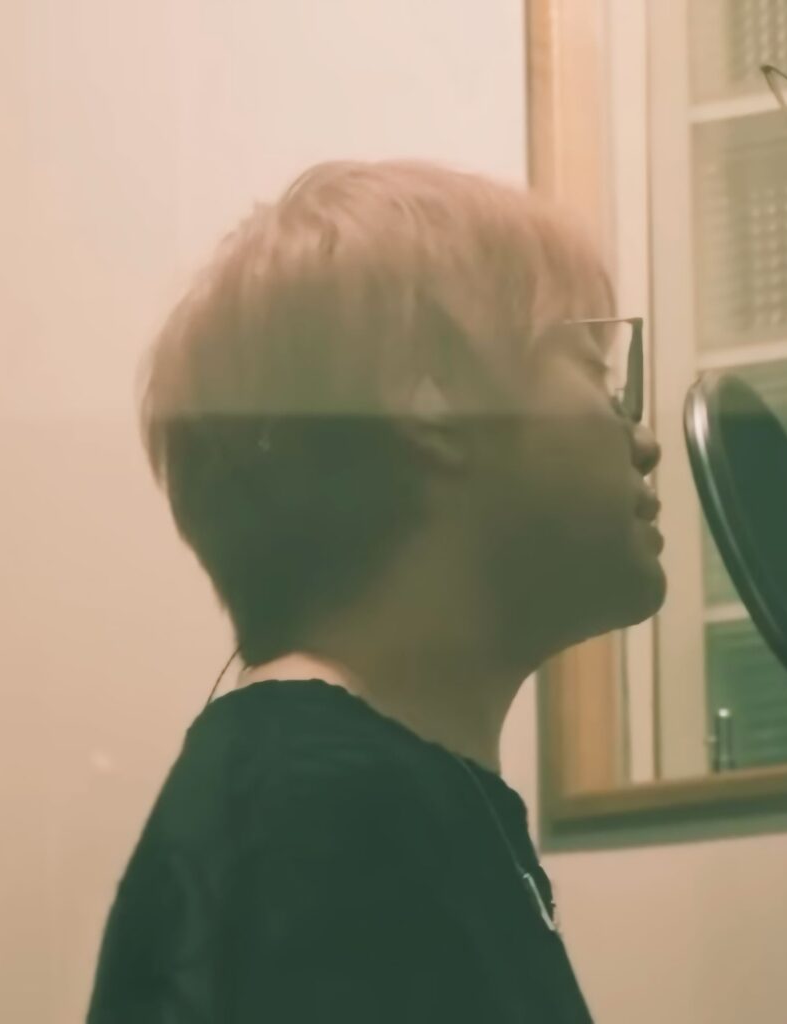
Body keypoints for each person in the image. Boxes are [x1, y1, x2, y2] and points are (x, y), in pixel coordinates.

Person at [87, 159, 664, 1023]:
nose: (645, 440)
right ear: (433, 406)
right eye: (598, 373)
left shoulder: (350, 798)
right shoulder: (317, 821)